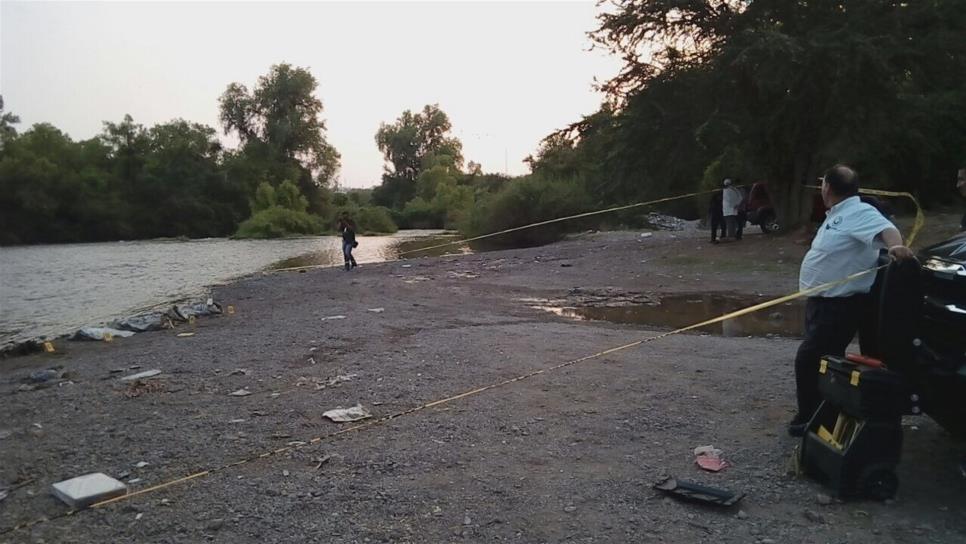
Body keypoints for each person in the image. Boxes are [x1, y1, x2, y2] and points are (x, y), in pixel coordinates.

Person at [788, 164, 915, 437]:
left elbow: (886, 229)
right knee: (821, 361)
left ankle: (807, 418)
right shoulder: (838, 214)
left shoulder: (859, 211)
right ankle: (822, 414)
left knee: (808, 358)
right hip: (822, 303)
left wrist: (895, 245)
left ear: (828, 188)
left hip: (841, 305)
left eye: (823, 183)